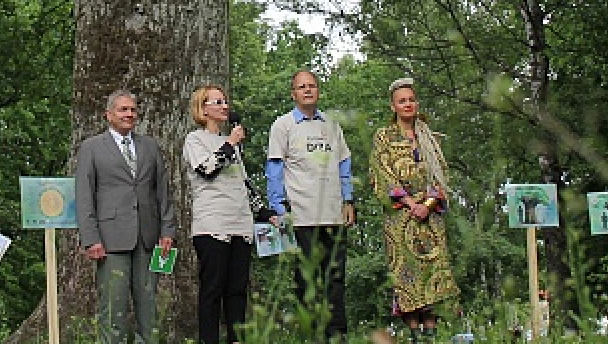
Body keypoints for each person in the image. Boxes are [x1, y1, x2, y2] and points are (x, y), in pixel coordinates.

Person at [76, 91, 175, 344]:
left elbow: (162, 191)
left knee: (149, 309)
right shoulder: (91, 147)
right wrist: (90, 238)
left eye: (132, 109)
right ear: (108, 115)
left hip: (147, 238)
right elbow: (84, 195)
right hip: (110, 241)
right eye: (123, 110)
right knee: (113, 311)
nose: (129, 114)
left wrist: (167, 231)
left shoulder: (150, 146)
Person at [266, 69, 354, 343]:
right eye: (301, 87)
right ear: (293, 93)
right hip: (301, 216)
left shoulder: (332, 125)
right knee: (306, 282)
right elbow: (274, 168)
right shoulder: (283, 125)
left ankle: (336, 335)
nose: (307, 90)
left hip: (333, 215)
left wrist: (348, 200)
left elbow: (344, 165)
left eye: (312, 86)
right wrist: (278, 208)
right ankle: (311, 335)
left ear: (318, 90)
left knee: (335, 280)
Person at [370, 78, 459, 342]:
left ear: (416, 103)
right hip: (401, 217)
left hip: (430, 219)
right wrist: (410, 204)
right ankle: (414, 335)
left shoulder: (430, 137)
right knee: (407, 278)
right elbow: (380, 175)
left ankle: (431, 335)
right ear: (393, 106)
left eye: (411, 100)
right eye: (402, 101)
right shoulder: (384, 136)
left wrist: (428, 205)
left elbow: (441, 176)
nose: (407, 104)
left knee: (433, 276)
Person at [183, 85, 264, 344]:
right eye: (217, 102)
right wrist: (230, 143)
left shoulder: (232, 145)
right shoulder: (194, 140)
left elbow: (243, 182)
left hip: (240, 223)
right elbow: (206, 169)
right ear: (203, 109)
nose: (224, 106)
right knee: (212, 290)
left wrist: (263, 211)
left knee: (237, 291)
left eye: (225, 101)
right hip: (212, 225)